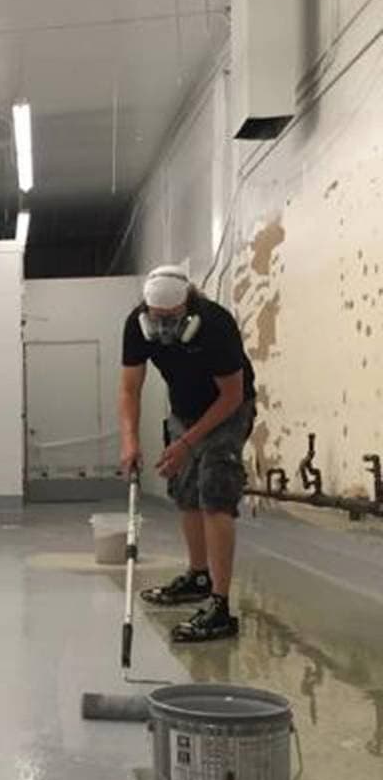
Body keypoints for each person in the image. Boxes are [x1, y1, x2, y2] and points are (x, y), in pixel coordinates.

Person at [118, 264, 256, 643]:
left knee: (214, 494)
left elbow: (232, 395)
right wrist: (130, 440)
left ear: (189, 307)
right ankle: (198, 575)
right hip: (184, 411)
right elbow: (129, 389)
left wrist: (187, 444)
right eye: (155, 318)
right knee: (185, 491)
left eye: (171, 318)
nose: (161, 327)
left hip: (227, 410)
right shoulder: (136, 324)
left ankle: (221, 606)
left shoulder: (215, 325)